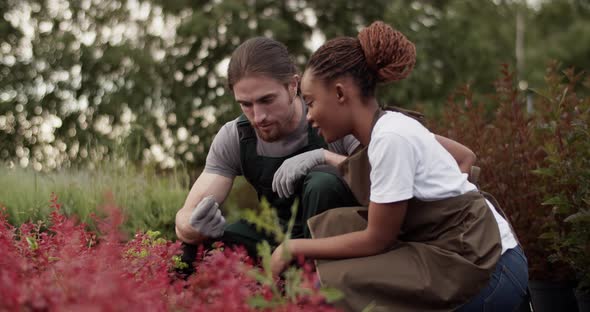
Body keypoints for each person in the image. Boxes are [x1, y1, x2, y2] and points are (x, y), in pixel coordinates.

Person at [270, 21, 528, 312]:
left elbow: (378, 239)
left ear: (341, 94)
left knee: (333, 286)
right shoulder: (391, 124)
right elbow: (464, 156)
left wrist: (293, 247)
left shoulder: (391, 137)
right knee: (336, 226)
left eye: (311, 102)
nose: (309, 117)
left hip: (490, 270)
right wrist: (437, 210)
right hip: (478, 253)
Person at [175, 36, 481, 275]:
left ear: (293, 86)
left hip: (341, 235)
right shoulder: (234, 135)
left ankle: (311, 284)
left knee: (321, 181)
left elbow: (383, 175)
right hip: (278, 233)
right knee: (208, 248)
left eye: (267, 100)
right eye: (246, 104)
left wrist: (321, 156)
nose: (259, 116)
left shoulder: (335, 118)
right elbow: (187, 215)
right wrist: (193, 227)